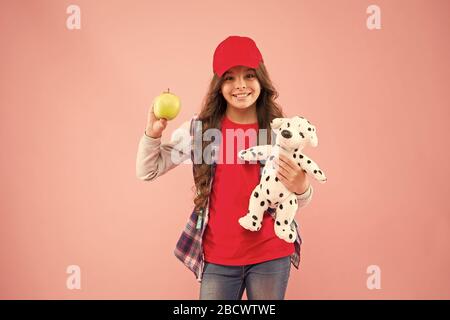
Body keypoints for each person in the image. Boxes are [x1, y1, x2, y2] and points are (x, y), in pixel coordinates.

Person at [136, 35, 314, 300]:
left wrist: (303, 187)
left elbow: (295, 197)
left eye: (249, 76)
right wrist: (152, 134)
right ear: (218, 84)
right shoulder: (200, 130)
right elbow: (147, 170)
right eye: (229, 77)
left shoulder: (279, 130)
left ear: (261, 80)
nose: (240, 85)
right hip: (218, 258)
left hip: (270, 254)